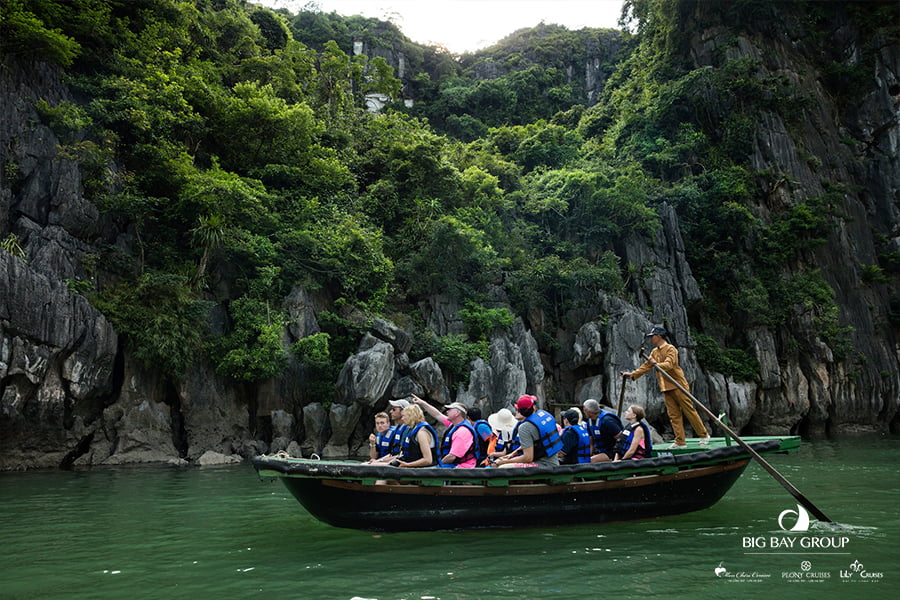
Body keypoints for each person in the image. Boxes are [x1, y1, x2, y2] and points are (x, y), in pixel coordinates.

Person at [621, 325, 710, 450]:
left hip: (678, 385)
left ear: (658, 336)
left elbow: (669, 364)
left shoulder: (670, 349)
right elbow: (646, 366)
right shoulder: (654, 352)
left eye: (652, 337)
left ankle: (704, 435)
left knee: (688, 410)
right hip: (665, 387)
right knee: (673, 415)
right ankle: (680, 441)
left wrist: (656, 364)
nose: (651, 339)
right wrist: (632, 375)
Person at [494, 395, 562, 468]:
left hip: (544, 464)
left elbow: (528, 458)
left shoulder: (525, 427)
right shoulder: (544, 414)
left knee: (501, 467)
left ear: (520, 412)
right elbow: (535, 444)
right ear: (533, 407)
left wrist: (504, 462)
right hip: (553, 461)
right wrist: (512, 454)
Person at [412, 396, 478, 468]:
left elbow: (452, 457)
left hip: (462, 467)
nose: (447, 411)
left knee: (430, 471)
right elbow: (437, 414)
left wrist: (438, 464)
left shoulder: (463, 432)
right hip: (452, 464)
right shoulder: (453, 425)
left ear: (457, 413)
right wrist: (422, 403)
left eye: (449, 409)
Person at [582, 398, 623, 462]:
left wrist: (617, 456)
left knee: (590, 461)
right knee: (584, 460)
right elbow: (591, 441)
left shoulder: (608, 421)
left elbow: (620, 438)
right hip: (599, 450)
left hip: (611, 451)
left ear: (590, 412)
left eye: (584, 410)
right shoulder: (590, 422)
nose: (583, 412)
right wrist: (589, 454)